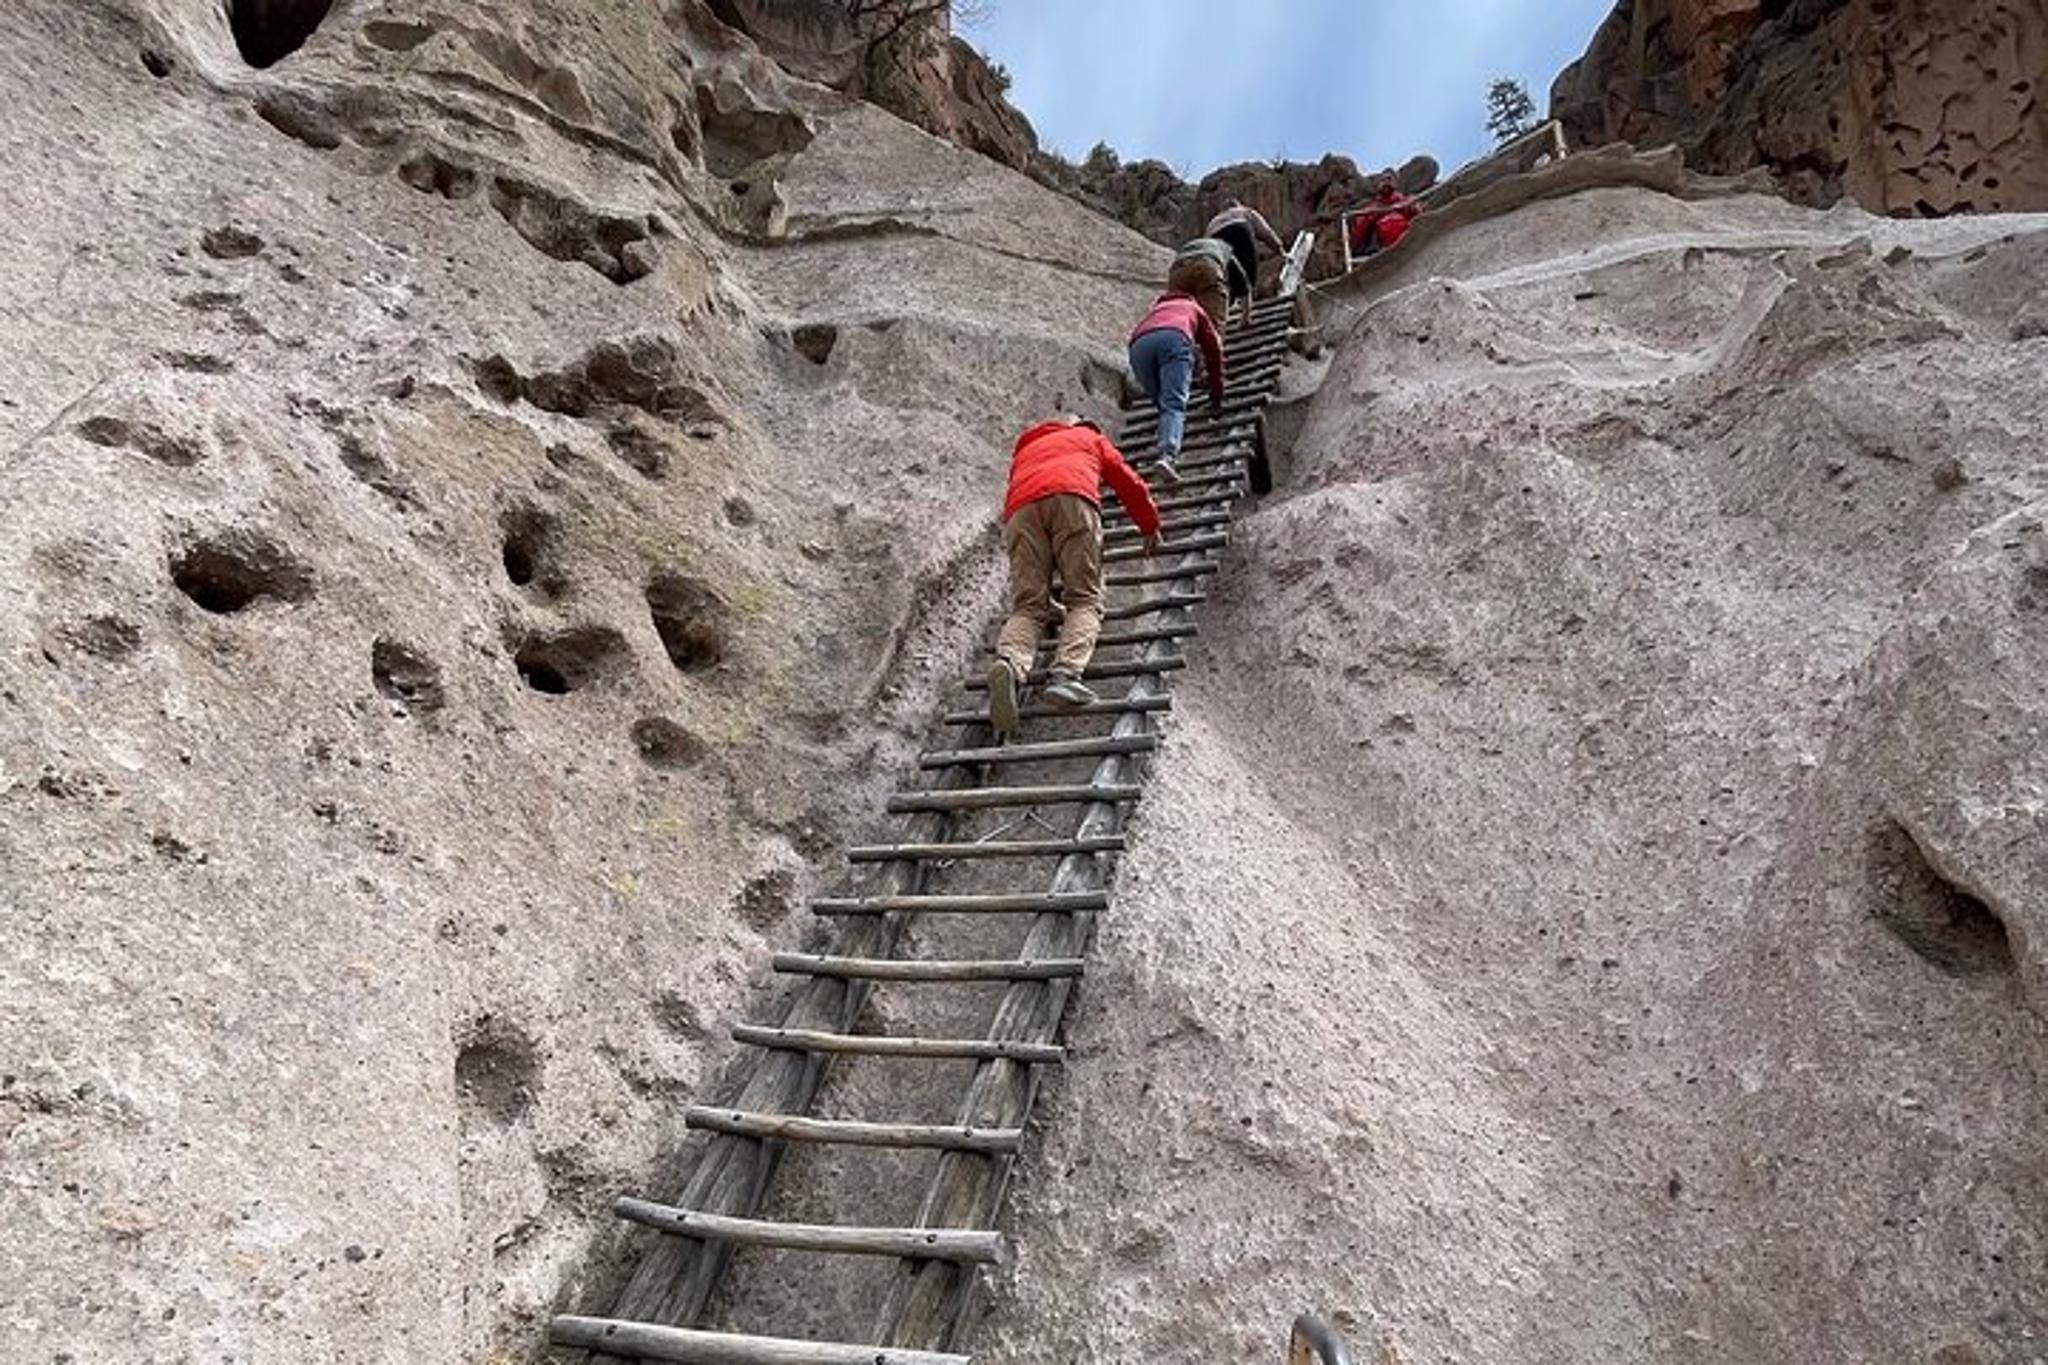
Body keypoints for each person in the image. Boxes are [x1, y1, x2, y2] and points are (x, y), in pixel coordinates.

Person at [989, 417, 1161, 735]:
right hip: (1072, 499)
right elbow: (1126, 480)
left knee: (1029, 606)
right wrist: (1148, 523)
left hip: (1020, 511)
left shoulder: (1029, 448)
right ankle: (1065, 676)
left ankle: (1011, 664)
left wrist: (1054, 608)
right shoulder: (1089, 438)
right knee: (1084, 598)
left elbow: (1034, 497)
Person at [1127, 285, 1225, 487]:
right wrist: (1217, 391)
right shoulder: (1193, 307)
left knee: (1163, 403)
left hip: (1138, 345)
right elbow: (1213, 349)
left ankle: (1165, 432)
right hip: (1174, 337)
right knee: (1173, 404)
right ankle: (1167, 456)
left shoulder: (1156, 310)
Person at [1205, 200, 1285, 328]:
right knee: (1249, 269)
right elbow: (1265, 232)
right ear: (1237, 205)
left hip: (1216, 238)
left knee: (1230, 276)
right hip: (1240, 229)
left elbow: (1207, 243)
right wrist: (1279, 249)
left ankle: (1230, 307)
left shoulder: (1214, 220)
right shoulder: (1245, 211)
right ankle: (1247, 315)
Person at [1166, 235, 1247, 328]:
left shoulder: (1196, 243)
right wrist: (1245, 317)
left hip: (1178, 269)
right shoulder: (1227, 251)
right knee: (1214, 321)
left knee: (1178, 314)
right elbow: (1244, 286)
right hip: (1206, 264)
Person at [1348, 176, 1422, 259]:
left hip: (1409, 242)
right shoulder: (1372, 207)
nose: (1386, 182)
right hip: (1384, 249)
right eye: (1383, 180)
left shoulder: (1405, 201)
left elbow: (1419, 218)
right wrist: (1352, 246)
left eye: (1389, 179)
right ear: (1377, 186)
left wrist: (1415, 206)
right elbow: (1359, 231)